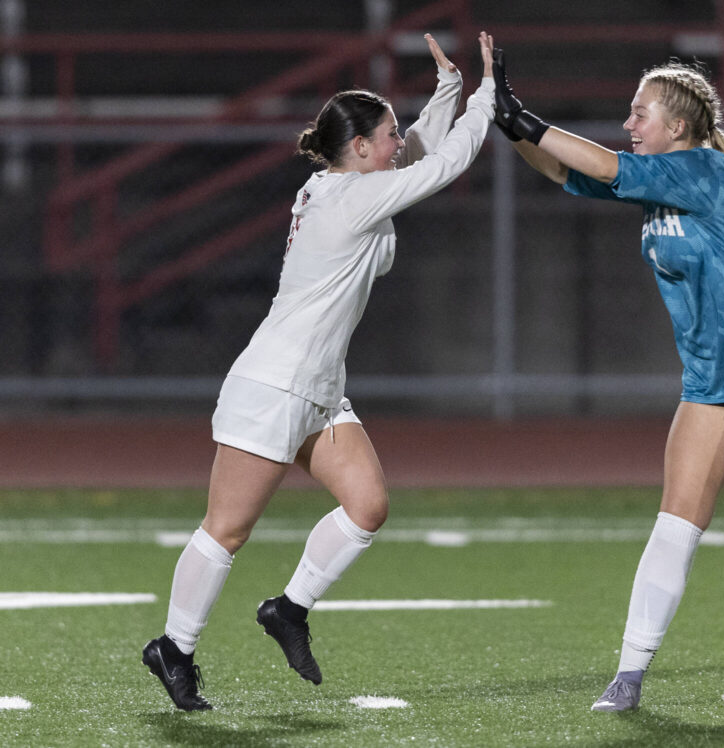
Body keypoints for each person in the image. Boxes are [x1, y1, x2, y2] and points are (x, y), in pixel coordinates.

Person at [142, 31, 497, 712]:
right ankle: (174, 648)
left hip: (320, 389)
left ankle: (289, 610)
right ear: (359, 148)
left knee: (367, 507)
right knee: (228, 531)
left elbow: (420, 150)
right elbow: (442, 166)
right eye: (387, 135)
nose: (397, 143)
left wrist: (450, 91)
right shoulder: (349, 200)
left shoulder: (341, 184)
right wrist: (487, 100)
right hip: (274, 383)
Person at [490, 51, 724, 710]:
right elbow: (564, 167)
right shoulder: (658, 176)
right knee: (674, 525)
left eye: (639, 112)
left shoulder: (706, 170)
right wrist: (509, 127)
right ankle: (629, 674)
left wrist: (524, 117)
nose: (629, 122)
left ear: (679, 125)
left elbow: (605, 163)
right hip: (710, 377)